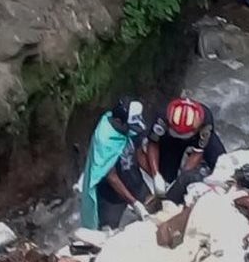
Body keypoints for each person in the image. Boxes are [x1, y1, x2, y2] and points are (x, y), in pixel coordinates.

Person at [80, 98, 151, 230]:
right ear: (119, 121)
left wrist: (154, 175)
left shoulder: (131, 127)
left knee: (150, 215)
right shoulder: (104, 139)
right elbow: (111, 176)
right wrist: (134, 203)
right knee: (107, 233)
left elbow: (139, 152)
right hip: (111, 194)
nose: (133, 130)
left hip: (134, 180)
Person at [143, 97, 226, 204]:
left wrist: (183, 176)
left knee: (221, 163)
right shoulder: (162, 118)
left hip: (195, 137)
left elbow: (198, 151)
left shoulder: (205, 121)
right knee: (167, 177)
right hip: (170, 139)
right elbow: (153, 144)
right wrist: (156, 175)